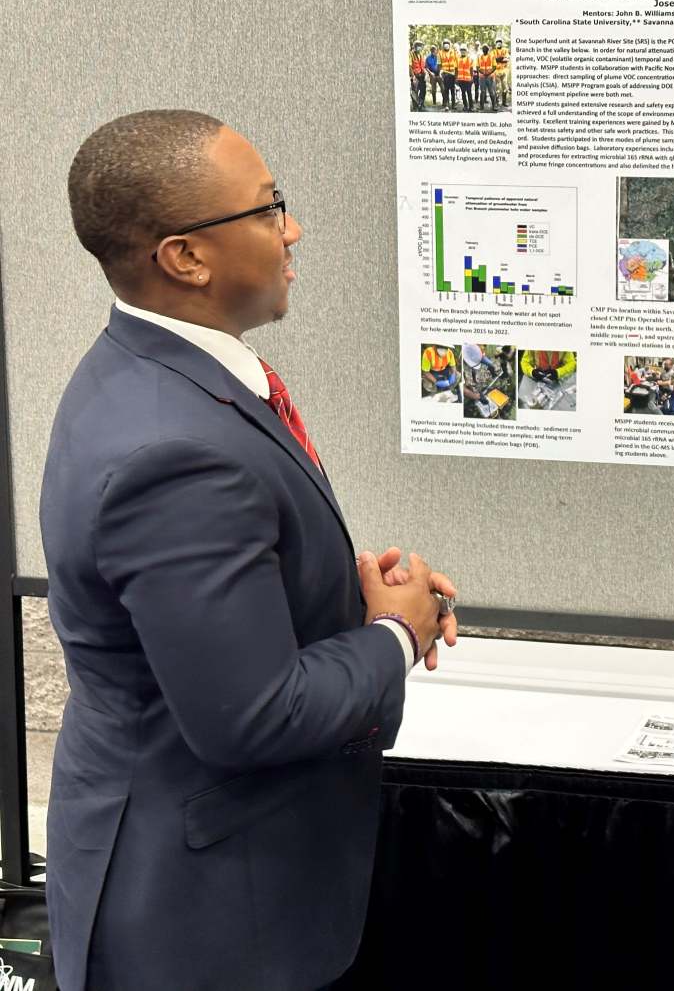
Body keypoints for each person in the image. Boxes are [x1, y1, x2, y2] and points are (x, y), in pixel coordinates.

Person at [45, 110, 459, 991]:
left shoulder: (155, 374)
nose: (293, 227)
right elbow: (253, 717)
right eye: (269, 208)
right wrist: (395, 634)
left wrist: (350, 601)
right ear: (186, 257)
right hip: (204, 923)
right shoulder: (172, 450)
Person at [462, 342, 500, 417]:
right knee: (473, 371)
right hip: (473, 359)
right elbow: (464, 391)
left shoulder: (476, 346)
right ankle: (473, 381)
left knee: (490, 364)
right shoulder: (468, 348)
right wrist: (479, 398)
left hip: (481, 357)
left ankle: (494, 374)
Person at [476, 43, 498, 111]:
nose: (485, 49)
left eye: (486, 48)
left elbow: (494, 67)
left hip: (490, 77)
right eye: (483, 48)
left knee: (492, 91)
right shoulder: (479, 57)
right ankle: (481, 106)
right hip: (482, 77)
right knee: (482, 92)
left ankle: (494, 106)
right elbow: (477, 67)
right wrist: (483, 73)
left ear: (488, 49)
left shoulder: (492, 57)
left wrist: (488, 73)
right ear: (482, 50)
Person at [440, 40, 459, 110]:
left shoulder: (454, 52)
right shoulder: (440, 53)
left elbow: (457, 64)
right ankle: (447, 104)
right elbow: (439, 64)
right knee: (446, 90)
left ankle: (453, 104)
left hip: (452, 73)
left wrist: (457, 75)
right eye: (445, 43)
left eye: (447, 43)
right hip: (444, 73)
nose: (446, 44)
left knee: (453, 90)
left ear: (450, 44)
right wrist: (440, 73)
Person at [455, 45, 475, 112]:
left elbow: (471, 69)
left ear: (466, 51)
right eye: (462, 50)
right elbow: (456, 69)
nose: (463, 51)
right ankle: (465, 106)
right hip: (461, 79)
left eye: (464, 50)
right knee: (463, 93)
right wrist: (456, 78)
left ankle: (471, 107)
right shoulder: (457, 59)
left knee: (469, 93)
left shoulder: (470, 59)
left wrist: (472, 78)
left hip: (468, 79)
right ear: (460, 51)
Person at [409, 40, 426, 111]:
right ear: (415, 46)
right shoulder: (411, 54)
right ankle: (415, 107)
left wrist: (425, 75)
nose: (419, 47)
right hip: (415, 76)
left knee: (423, 91)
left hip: (421, 76)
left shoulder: (421, 55)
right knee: (414, 92)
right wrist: (413, 77)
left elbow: (423, 67)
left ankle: (421, 104)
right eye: (418, 45)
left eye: (420, 46)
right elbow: (409, 66)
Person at [493, 37, 510, 108]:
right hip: (496, 72)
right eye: (497, 42)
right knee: (496, 87)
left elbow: (507, 59)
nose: (499, 43)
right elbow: (494, 60)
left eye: (500, 42)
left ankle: (504, 101)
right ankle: (496, 102)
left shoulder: (505, 50)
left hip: (504, 71)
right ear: (496, 43)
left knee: (504, 87)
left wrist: (499, 59)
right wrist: (501, 59)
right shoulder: (493, 51)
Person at [423, 41, 441, 108]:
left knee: (443, 88)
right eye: (432, 50)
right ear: (431, 50)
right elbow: (426, 67)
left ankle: (445, 103)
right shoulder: (428, 58)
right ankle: (434, 102)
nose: (433, 51)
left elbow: (440, 65)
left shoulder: (438, 57)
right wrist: (430, 73)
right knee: (433, 89)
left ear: (436, 50)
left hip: (439, 74)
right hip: (432, 75)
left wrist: (440, 73)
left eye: (434, 50)